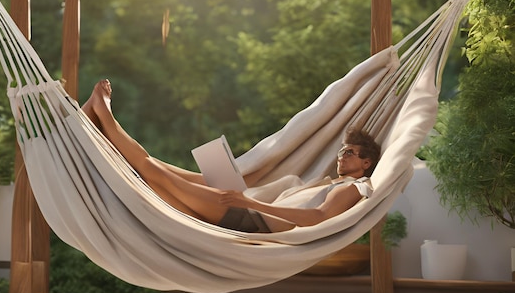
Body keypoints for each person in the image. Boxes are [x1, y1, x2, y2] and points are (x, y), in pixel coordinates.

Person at [82, 79, 380, 233]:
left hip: (248, 217)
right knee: (157, 172)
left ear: (366, 163)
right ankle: (94, 125)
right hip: (243, 204)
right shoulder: (330, 182)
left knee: (154, 174)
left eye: (350, 153)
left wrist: (248, 201)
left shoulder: (353, 188)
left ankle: (103, 114)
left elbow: (318, 217)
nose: (342, 156)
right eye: (341, 151)